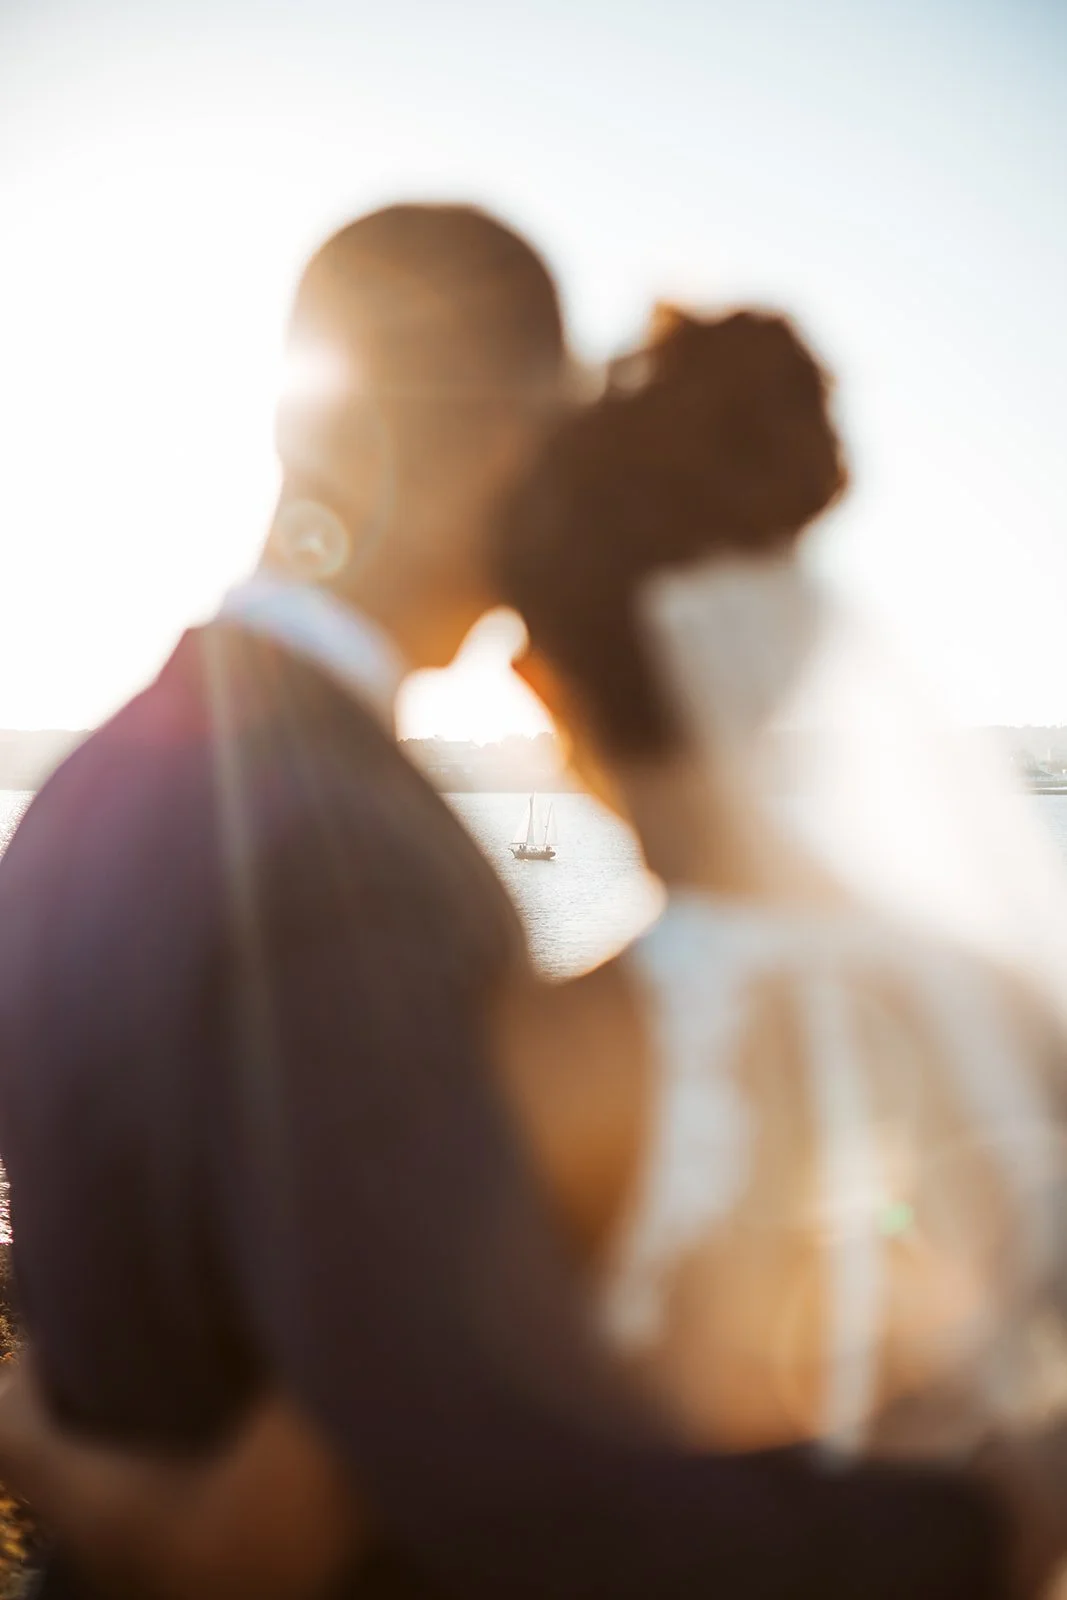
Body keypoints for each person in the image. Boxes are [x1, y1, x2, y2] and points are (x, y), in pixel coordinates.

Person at [0, 218, 1009, 1600]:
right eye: (538, 436)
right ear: (478, 440)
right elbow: (462, 1462)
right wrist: (988, 1520)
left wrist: (36, 1447)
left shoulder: (69, 808)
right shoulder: (347, 855)